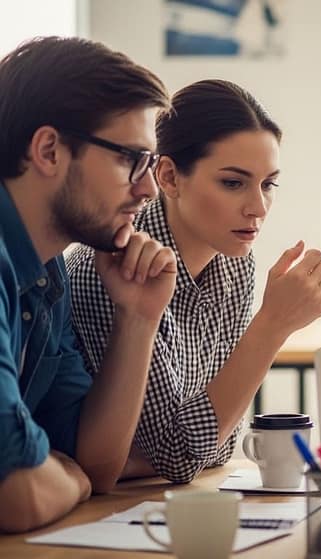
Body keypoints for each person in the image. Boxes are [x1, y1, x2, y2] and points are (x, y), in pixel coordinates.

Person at [67, 80, 321, 484]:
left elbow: (220, 445)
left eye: (269, 184)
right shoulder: (114, 267)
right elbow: (181, 455)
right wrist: (273, 325)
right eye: (233, 182)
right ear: (170, 178)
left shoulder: (233, 263)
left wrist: (154, 456)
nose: (258, 207)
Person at [0, 36, 174, 532]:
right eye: (131, 160)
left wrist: (138, 318)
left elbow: (98, 466)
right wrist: (66, 478)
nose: (149, 188)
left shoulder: (47, 272)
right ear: (50, 150)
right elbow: (18, 497)